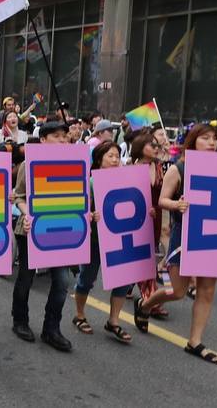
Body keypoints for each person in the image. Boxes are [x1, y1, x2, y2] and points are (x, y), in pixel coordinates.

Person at [133, 123, 217, 364]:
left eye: (214, 138)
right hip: (183, 237)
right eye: (205, 138)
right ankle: (144, 305)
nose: (212, 142)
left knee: (207, 289)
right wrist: (178, 205)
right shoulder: (179, 167)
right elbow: (163, 200)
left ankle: (195, 341)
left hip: (213, 238)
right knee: (179, 291)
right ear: (193, 141)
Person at [11, 118, 74, 351]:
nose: (61, 141)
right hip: (31, 229)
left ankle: (52, 328)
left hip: (61, 232)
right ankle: (20, 320)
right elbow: (18, 196)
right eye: (56, 136)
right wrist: (28, 215)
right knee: (26, 277)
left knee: (62, 281)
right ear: (44, 139)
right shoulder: (29, 165)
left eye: (64, 137)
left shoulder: (73, 165)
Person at [71, 141, 133, 343]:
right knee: (87, 278)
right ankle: (79, 315)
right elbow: (79, 210)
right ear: (99, 159)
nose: (115, 160)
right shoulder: (89, 183)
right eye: (110, 156)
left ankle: (113, 321)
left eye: (117, 156)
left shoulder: (126, 181)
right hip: (95, 239)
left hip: (119, 238)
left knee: (123, 279)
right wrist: (90, 215)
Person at [128, 131, 170, 319]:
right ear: (140, 147)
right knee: (143, 260)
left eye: (156, 145)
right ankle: (151, 300)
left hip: (156, 218)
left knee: (150, 257)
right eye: (151, 145)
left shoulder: (159, 166)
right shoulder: (132, 168)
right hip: (138, 220)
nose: (155, 148)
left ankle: (132, 286)